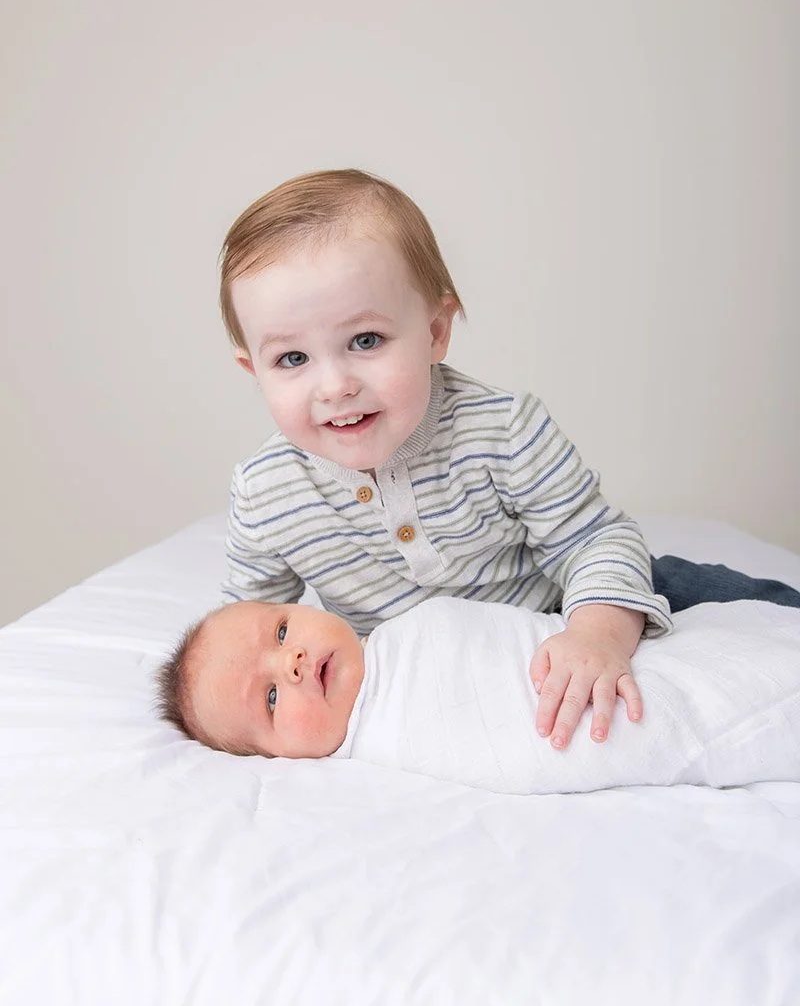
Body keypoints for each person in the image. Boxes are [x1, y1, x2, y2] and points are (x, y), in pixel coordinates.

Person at [216, 168, 800, 752]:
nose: (335, 385)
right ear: (253, 371)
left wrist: (598, 632)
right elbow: (239, 633)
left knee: (724, 599)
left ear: (436, 331)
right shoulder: (265, 493)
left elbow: (594, 540)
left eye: (365, 341)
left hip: (560, 606)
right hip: (441, 668)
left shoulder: (502, 429)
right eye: (292, 358)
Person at [154, 594, 800, 795]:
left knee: (734, 652)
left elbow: (516, 639)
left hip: (638, 663)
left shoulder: (414, 627)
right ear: (272, 760)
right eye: (269, 699)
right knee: (732, 711)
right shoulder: (368, 771)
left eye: (283, 629)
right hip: (649, 728)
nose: (290, 662)